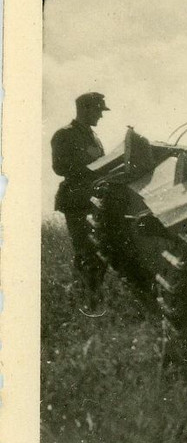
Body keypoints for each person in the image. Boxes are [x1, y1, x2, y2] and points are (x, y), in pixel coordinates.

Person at [51, 91, 111, 312]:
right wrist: (90, 169)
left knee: (99, 253)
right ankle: (82, 303)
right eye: (98, 110)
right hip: (76, 201)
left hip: (94, 201)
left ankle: (91, 299)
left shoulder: (94, 137)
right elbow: (59, 167)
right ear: (85, 109)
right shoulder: (64, 135)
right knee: (85, 252)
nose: (101, 116)